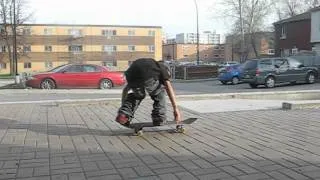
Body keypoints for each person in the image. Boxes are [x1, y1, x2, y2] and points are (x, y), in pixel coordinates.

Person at [115, 58, 182, 128]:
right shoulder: (162, 68)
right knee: (159, 92)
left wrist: (123, 109)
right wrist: (175, 109)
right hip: (147, 75)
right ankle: (159, 117)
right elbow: (169, 88)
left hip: (130, 74)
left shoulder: (152, 64)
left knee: (138, 95)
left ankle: (124, 115)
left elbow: (125, 90)